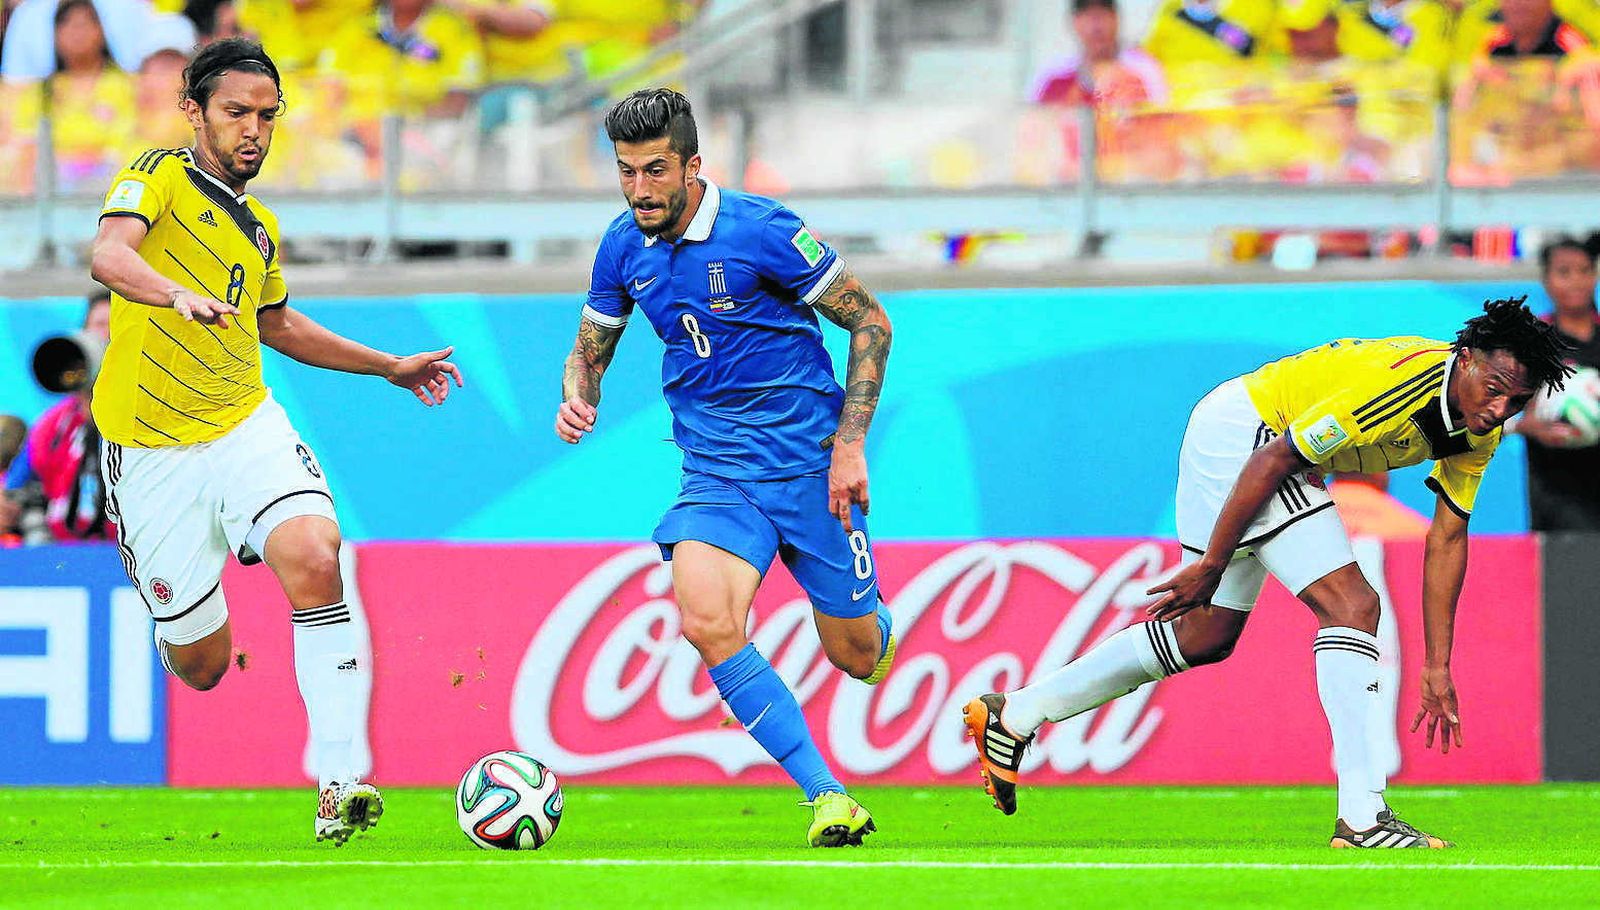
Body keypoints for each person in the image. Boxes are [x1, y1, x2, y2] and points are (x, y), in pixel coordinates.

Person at [964, 298, 1572, 848]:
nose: (1499, 410)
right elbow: (1275, 456)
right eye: (1493, 388)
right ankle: (1364, 817)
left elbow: (1447, 537)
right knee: (1353, 606)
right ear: (1463, 358)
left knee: (1205, 636)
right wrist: (1212, 562)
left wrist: (1438, 666)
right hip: (1246, 435)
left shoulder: (1477, 431)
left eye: (1516, 401)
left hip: (1263, 444)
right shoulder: (1400, 387)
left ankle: (1014, 714)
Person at [88, 37, 462, 844]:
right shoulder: (155, 174)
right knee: (203, 667)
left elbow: (277, 324)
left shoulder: (259, 227)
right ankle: (181, 612)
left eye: (266, 116)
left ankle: (340, 781)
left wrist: (388, 365)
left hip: (243, 424)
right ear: (193, 112)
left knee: (317, 553)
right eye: (235, 113)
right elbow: (109, 256)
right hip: (149, 452)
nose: (253, 130)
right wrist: (172, 293)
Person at [556, 88, 894, 847]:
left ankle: (874, 620)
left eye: (654, 170)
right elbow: (590, 348)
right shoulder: (621, 245)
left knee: (858, 655)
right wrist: (577, 396)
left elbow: (870, 319)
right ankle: (828, 797)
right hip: (717, 474)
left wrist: (848, 446)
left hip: (810, 466)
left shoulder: (763, 231)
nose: (639, 189)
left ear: (693, 165)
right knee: (707, 622)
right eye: (625, 172)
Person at [2, 292, 117, 544]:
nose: (108, 335)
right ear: (83, 334)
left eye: (117, 325)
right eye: (100, 324)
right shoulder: (52, 425)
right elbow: (14, 491)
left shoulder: (158, 420)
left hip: (138, 557)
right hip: (65, 559)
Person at [1515, 238, 1600, 530]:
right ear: (1546, 280)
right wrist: (1531, 426)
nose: (1576, 281)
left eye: (1584, 270)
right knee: (1574, 571)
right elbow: (1498, 419)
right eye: (1564, 272)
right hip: (1556, 494)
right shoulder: (1533, 343)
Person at [1029, 0, 1167, 108]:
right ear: (1074, 22)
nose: (1096, 23)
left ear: (1116, 18)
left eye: (1103, 12)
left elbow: (1162, 127)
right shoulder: (1051, 77)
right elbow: (1031, 131)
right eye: (1086, 13)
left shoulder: (1144, 71)